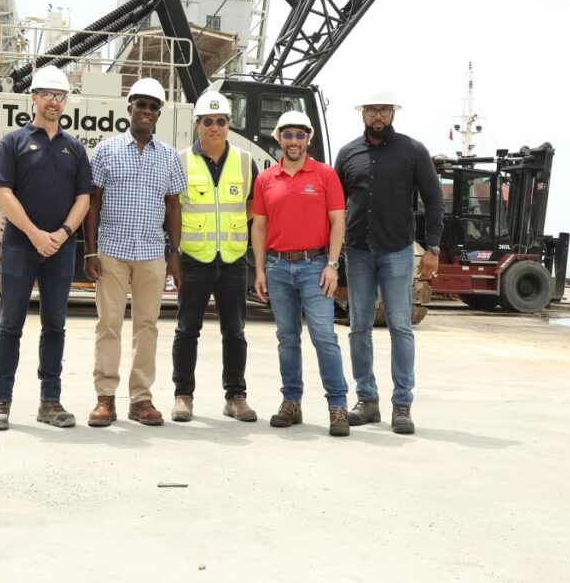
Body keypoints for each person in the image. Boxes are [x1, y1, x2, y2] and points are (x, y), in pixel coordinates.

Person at [0, 66, 92, 431]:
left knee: (55, 326)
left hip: (60, 249)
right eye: (47, 94)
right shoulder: (13, 142)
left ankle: (50, 402)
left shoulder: (74, 148)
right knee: (10, 324)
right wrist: (33, 233)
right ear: (33, 97)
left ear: (66, 102)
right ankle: (0, 402)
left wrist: (62, 234)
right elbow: (3, 192)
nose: (53, 101)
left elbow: (84, 198)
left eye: (60, 96)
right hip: (20, 244)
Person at [334, 90, 444, 434]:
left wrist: (433, 248)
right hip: (357, 251)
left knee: (400, 326)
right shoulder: (348, 153)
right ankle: (367, 400)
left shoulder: (413, 151)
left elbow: (434, 199)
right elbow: (335, 208)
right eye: (371, 110)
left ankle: (402, 404)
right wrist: (332, 259)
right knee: (358, 328)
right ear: (362, 113)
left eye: (383, 110)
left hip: (397, 251)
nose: (377, 116)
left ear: (393, 113)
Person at [83, 77, 186, 427]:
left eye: (153, 106)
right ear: (129, 109)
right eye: (140, 104)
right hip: (111, 250)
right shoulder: (106, 150)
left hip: (152, 253)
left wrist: (174, 254)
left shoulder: (170, 156)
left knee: (147, 326)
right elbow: (93, 204)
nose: (146, 111)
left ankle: (141, 399)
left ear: (159, 114)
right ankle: (105, 398)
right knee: (108, 324)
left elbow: (173, 208)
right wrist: (90, 251)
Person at [252, 110, 350, 437]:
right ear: (278, 138)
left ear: (308, 139)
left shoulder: (325, 175)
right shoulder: (266, 178)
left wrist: (332, 265)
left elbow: (338, 221)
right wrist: (261, 269)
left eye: (300, 135)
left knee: (324, 336)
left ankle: (337, 406)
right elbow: (260, 227)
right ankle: (291, 402)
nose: (294, 141)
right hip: (278, 268)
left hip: (315, 267)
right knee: (287, 338)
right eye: (288, 135)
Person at [170, 91, 260, 423]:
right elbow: (173, 209)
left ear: (228, 124)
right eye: (208, 122)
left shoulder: (245, 160)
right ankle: (183, 396)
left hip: (234, 258)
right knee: (186, 329)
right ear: (197, 124)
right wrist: (174, 253)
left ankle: (235, 396)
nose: (215, 128)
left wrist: (234, 226)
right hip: (195, 257)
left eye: (221, 121)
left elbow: (254, 204)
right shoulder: (180, 160)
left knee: (234, 331)